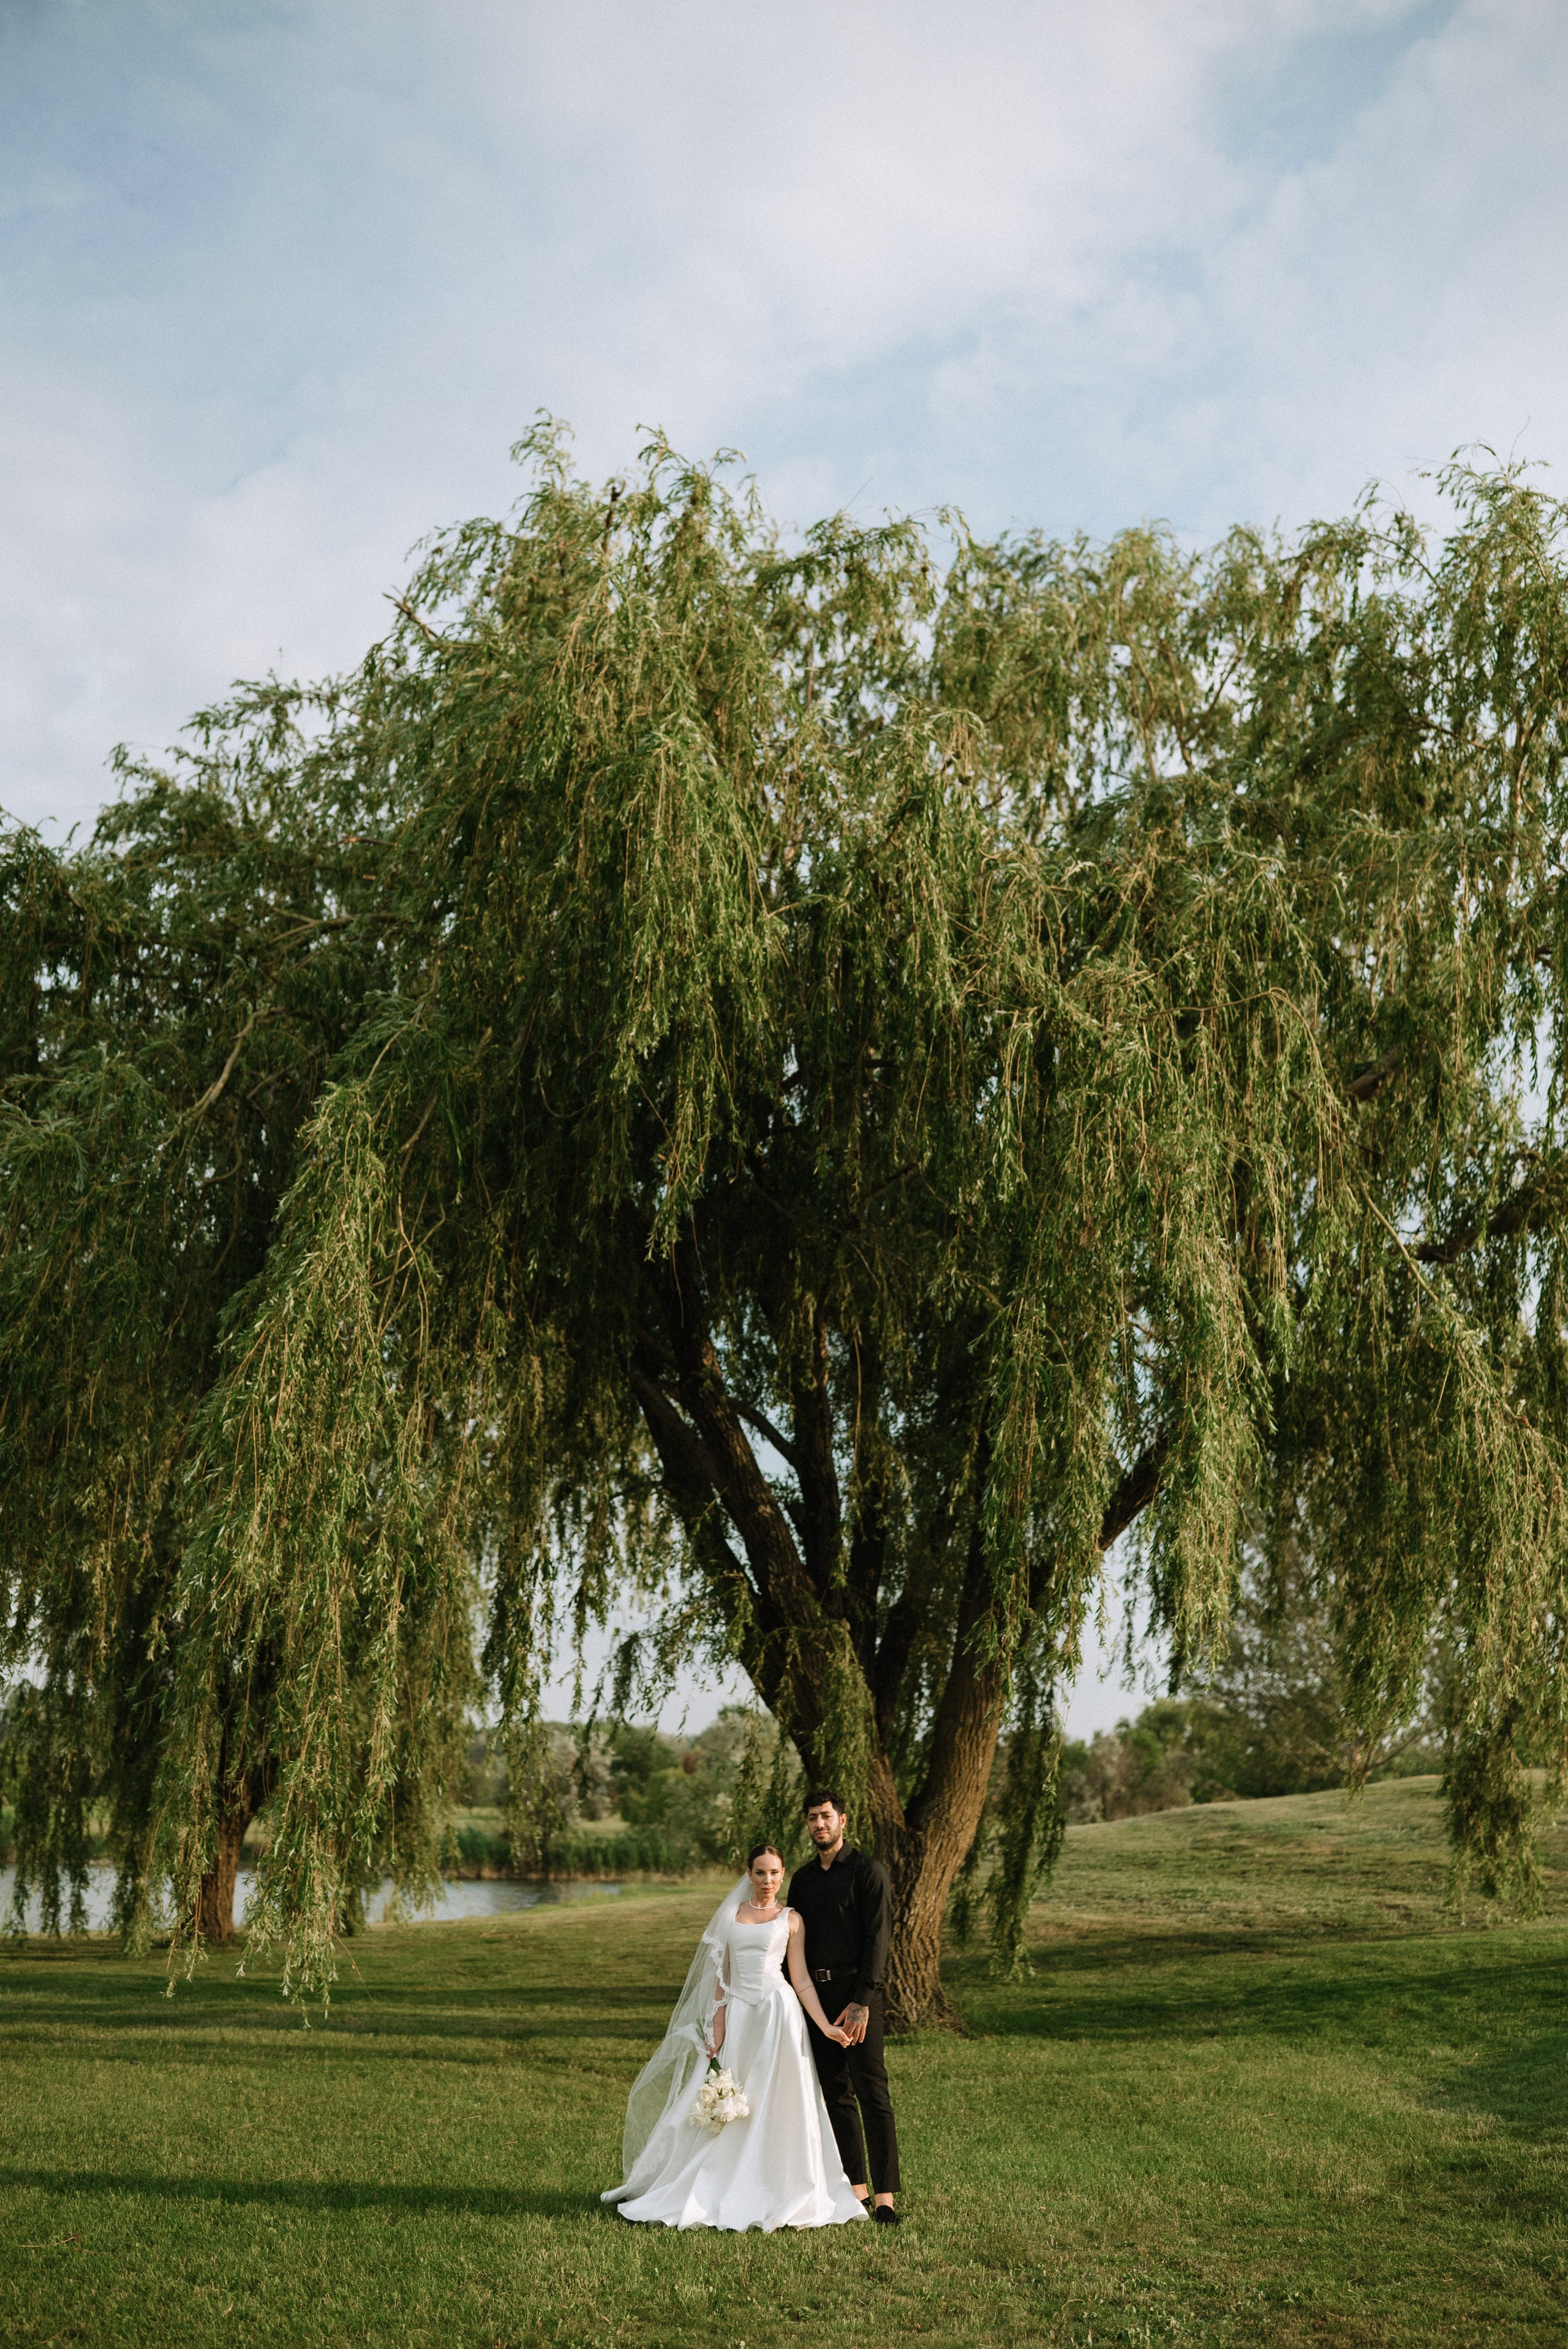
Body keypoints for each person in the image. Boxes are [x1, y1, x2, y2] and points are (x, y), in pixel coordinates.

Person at [601, 1843, 869, 2231]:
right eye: (760, 1873)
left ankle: (782, 2181)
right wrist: (717, 2025)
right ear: (749, 1875)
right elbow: (719, 1978)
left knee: (778, 2099)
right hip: (741, 2016)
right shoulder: (731, 1916)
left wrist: (827, 2025)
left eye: (775, 1873)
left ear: (783, 1876)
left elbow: (802, 1980)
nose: (768, 1881)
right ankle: (712, 2178)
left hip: (779, 2016)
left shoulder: (792, 1919)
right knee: (734, 2095)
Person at [786, 1789, 902, 2223]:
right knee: (836, 2093)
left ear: (843, 1820)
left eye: (826, 1816)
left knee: (873, 2093)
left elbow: (879, 1939)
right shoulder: (803, 1879)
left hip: (859, 1997)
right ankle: (856, 2191)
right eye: (813, 1818)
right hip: (817, 1997)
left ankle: (886, 2198)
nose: (819, 1824)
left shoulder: (869, 1871)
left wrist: (862, 2001)